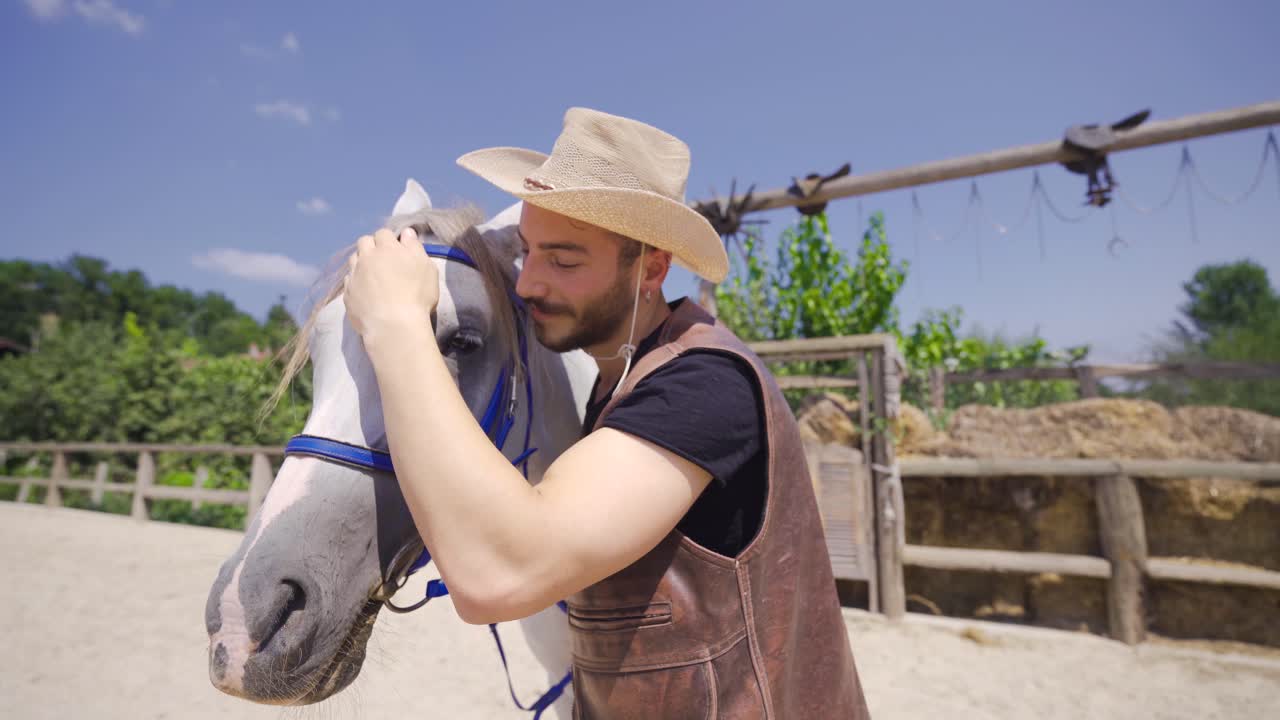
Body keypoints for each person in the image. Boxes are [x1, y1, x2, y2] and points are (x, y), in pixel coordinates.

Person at [344, 107, 869, 718]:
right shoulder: (619, 381)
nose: (528, 285)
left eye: (564, 261)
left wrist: (395, 323)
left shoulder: (702, 385)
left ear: (651, 267)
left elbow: (498, 575)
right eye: (529, 253)